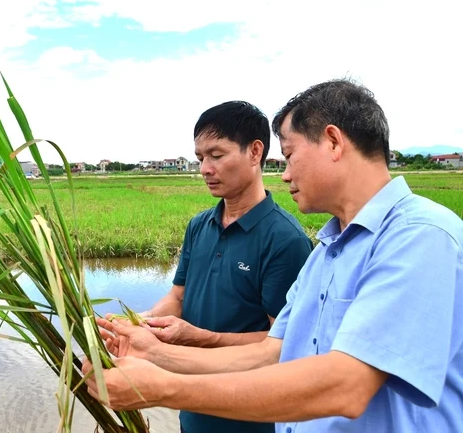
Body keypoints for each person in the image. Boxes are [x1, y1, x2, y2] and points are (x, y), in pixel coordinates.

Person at [86, 79, 463, 433]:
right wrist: (150, 353)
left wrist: (165, 387)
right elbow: (271, 354)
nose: (283, 174)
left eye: (289, 155)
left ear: (332, 142)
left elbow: (347, 385)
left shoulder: (420, 237)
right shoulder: (327, 254)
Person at [105, 101, 312, 433]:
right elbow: (178, 297)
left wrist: (201, 338)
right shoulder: (200, 225)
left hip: (250, 419)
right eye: (200, 158)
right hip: (192, 411)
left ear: (255, 152)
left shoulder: (284, 240)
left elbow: (285, 345)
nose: (204, 168)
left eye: (217, 156)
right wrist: (141, 324)